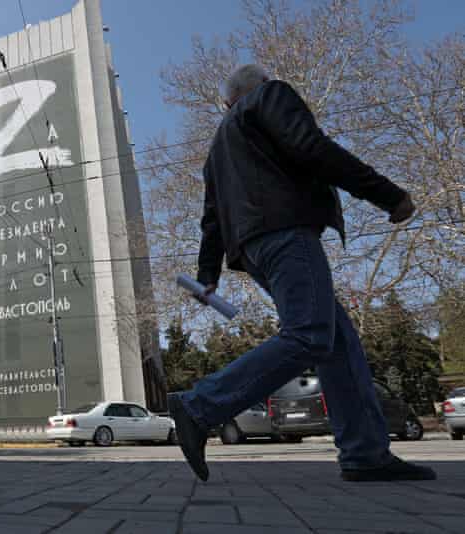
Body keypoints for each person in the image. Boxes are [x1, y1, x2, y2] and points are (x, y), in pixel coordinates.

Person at [168, 65, 436, 483]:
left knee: (337, 343)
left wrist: (207, 273)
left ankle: (365, 453)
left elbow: (211, 219)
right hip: (285, 231)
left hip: (253, 248)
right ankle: (201, 405)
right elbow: (311, 147)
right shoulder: (269, 96)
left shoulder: (217, 150)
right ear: (256, 87)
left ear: (226, 102)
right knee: (310, 333)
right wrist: (386, 194)